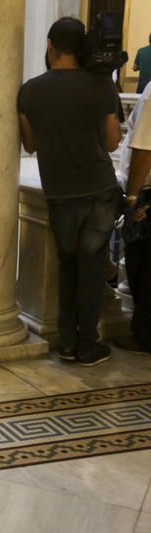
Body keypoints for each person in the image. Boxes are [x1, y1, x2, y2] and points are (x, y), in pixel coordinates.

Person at [18, 17, 122, 367]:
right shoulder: (101, 85)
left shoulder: (30, 90)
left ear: (50, 45)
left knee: (68, 266)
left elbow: (30, 144)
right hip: (98, 190)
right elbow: (112, 141)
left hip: (60, 192)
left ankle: (66, 343)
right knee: (92, 267)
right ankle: (87, 346)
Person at [119, 82, 151, 352]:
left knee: (142, 264)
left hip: (148, 194)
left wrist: (132, 196)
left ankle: (144, 334)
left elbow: (144, 148)